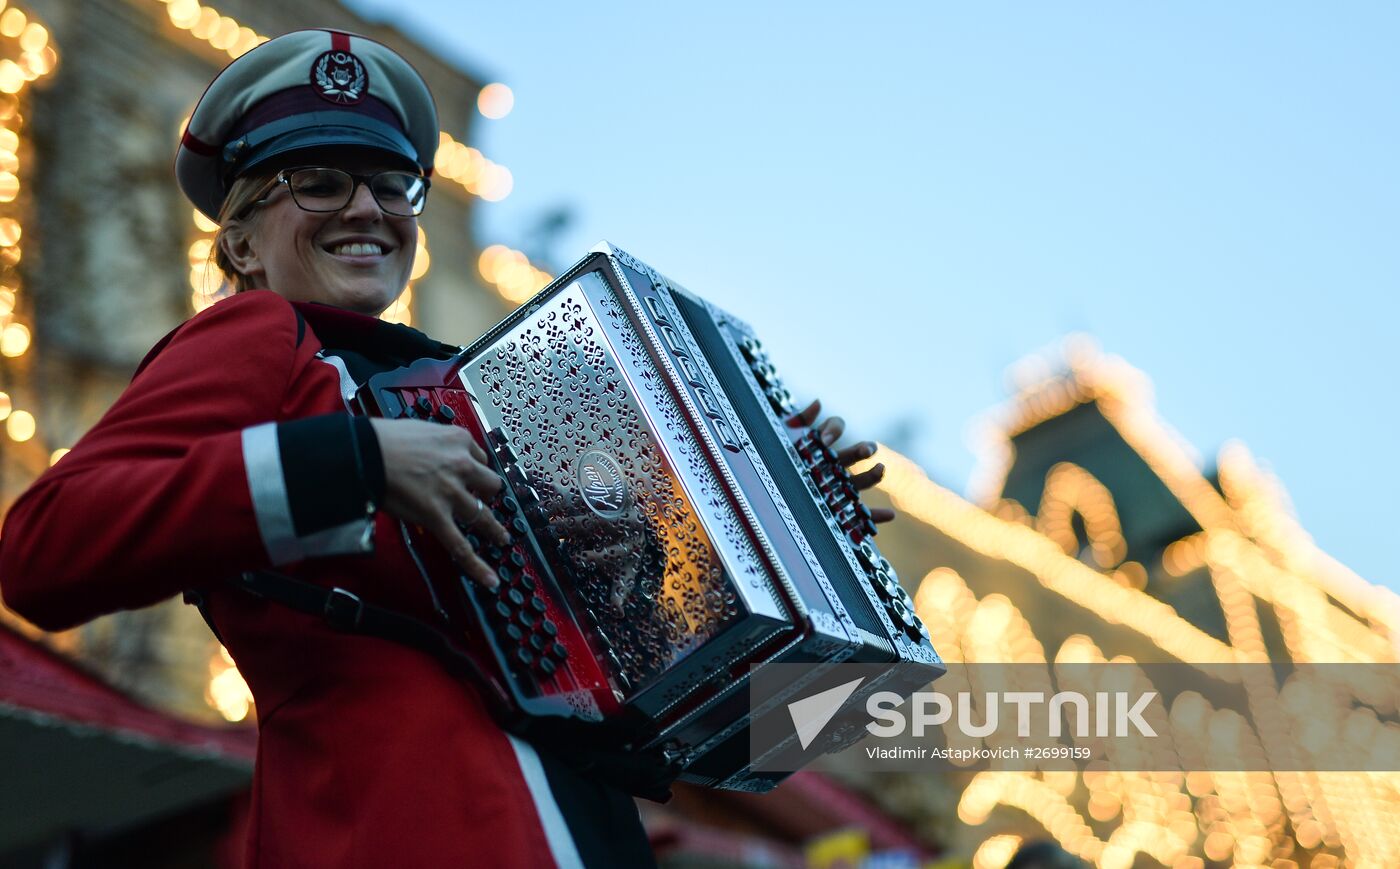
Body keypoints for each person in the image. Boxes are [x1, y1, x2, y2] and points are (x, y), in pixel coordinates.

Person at [0, 27, 890, 869]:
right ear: (239, 240)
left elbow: (731, 741)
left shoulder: (474, 388)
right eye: (319, 181)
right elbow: (41, 552)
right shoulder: (260, 336)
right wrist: (361, 461)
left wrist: (798, 529)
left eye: (394, 186)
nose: (368, 208)